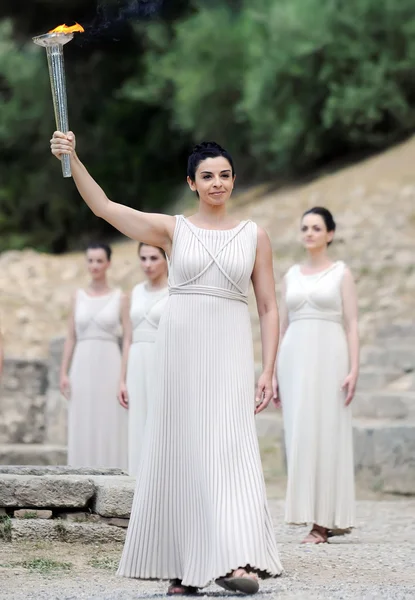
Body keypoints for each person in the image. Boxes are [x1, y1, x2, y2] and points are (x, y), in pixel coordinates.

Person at [50, 132, 283, 595]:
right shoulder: (174, 229)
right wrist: (72, 157)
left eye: (224, 175)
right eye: (207, 176)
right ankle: (183, 567)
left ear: (233, 179)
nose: (217, 183)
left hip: (231, 353)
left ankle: (235, 559)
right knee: (182, 451)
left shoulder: (254, 235)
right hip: (182, 356)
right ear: (192, 183)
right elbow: (105, 208)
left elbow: (269, 308)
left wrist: (269, 369)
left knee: (230, 450)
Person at [276, 207, 359, 544]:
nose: (309, 233)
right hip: (294, 359)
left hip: (331, 357)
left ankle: (324, 522)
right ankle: (312, 515)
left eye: (316, 228)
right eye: (305, 228)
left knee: (328, 432)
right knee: (300, 433)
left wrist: (354, 367)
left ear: (330, 234)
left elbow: (352, 324)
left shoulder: (342, 274)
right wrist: (272, 372)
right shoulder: (290, 275)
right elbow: (281, 327)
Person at [59, 242, 129, 469]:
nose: (94, 265)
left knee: (109, 419)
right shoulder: (77, 296)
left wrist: (122, 378)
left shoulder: (121, 297)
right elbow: (71, 336)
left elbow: (128, 338)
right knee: (83, 418)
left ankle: (112, 472)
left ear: (108, 263)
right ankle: (80, 472)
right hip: (82, 363)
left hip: (109, 362)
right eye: (90, 260)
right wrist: (64, 372)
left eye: (99, 261)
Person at [118, 242, 169, 476]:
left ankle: (163, 482)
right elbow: (127, 338)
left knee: (162, 423)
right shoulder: (134, 293)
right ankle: (137, 484)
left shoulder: (175, 291)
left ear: (166, 258)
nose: (148, 264)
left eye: (154, 258)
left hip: (163, 359)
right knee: (138, 423)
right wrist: (122, 379)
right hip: (137, 360)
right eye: (143, 258)